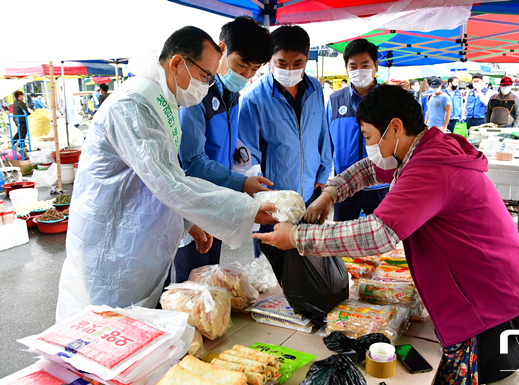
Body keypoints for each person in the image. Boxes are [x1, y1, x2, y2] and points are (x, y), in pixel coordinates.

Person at [255, 84, 519, 385]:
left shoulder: (431, 167)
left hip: (506, 305)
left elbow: (377, 234)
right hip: (494, 298)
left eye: (370, 138)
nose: (369, 146)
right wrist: (331, 193)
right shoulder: (423, 150)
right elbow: (372, 169)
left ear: (395, 128)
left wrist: (297, 236)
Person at [56, 26, 277, 322]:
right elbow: (168, 182)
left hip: (137, 243)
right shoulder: (134, 105)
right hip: (113, 247)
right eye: (206, 76)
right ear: (177, 64)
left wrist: (186, 222)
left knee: (137, 332)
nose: (208, 84)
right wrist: (247, 209)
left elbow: (158, 178)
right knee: (105, 331)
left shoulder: (162, 102)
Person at [175, 17, 274, 283]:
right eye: (241, 65)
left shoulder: (233, 96)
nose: (246, 76)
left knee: (211, 281)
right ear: (221, 50)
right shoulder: (197, 94)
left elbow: (219, 145)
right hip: (192, 207)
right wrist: (242, 183)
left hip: (217, 203)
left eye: (254, 70)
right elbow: (192, 161)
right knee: (189, 287)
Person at [238, 25, 332, 257]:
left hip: (310, 195)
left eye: (297, 63)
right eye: (281, 63)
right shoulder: (253, 99)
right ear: (270, 60)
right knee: (272, 272)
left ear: (307, 60)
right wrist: (262, 198)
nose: (289, 69)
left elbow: (323, 134)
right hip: (275, 203)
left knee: (309, 263)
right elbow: (247, 156)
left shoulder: (315, 90)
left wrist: (322, 175)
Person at [327, 38, 388, 222]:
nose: (359, 71)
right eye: (353, 66)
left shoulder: (389, 100)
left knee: (379, 241)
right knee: (342, 242)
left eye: (365, 65)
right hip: (344, 185)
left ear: (376, 66)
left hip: (380, 184)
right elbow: (326, 144)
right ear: (346, 69)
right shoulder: (334, 101)